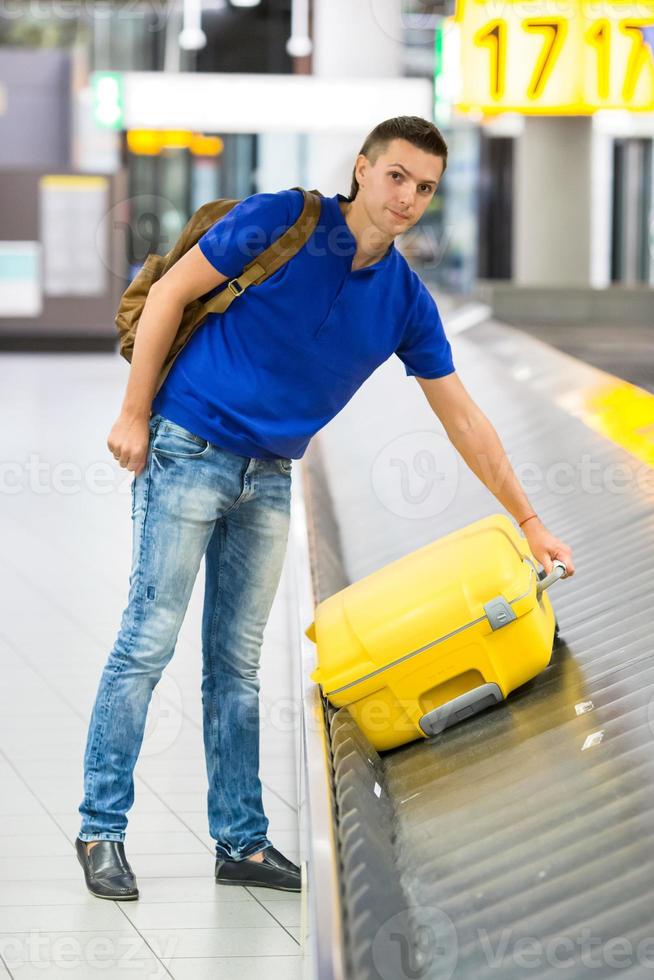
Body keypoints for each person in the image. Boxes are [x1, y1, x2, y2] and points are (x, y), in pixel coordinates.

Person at [75, 114, 575, 901]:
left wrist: (530, 520)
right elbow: (172, 291)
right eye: (397, 176)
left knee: (236, 666)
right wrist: (134, 415)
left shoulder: (405, 301)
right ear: (364, 168)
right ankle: (102, 828)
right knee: (147, 642)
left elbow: (465, 420)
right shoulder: (283, 219)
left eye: (425, 188)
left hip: (270, 477)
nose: (407, 197)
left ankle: (239, 840)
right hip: (188, 448)